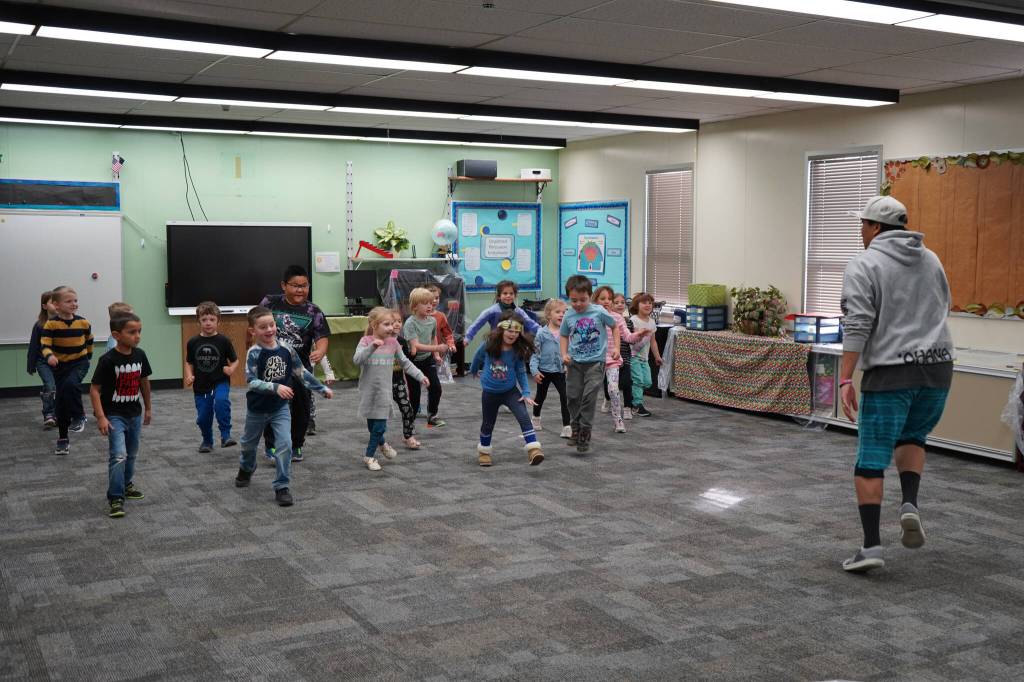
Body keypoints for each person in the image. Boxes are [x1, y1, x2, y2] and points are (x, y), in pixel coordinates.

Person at [838, 195, 955, 573]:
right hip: (938, 370)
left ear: (873, 227)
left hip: (891, 372)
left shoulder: (865, 263)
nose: (860, 231)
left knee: (871, 459)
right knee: (912, 438)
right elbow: (943, 307)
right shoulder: (931, 258)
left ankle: (871, 546)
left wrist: (844, 378)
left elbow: (858, 323)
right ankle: (909, 504)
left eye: (862, 225)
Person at [235, 306, 332, 507]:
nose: (270, 329)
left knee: (285, 445)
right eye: (263, 327)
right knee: (248, 446)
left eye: (272, 325)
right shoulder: (254, 353)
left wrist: (320, 388)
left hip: (280, 408)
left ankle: (282, 486)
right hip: (257, 409)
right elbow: (251, 381)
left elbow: (301, 372)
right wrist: (275, 386)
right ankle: (246, 467)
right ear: (253, 331)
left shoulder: (286, 349)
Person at [260, 265, 329, 462]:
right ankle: (271, 446)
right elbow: (254, 325)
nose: (300, 290)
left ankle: (297, 444)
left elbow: (322, 336)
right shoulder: (270, 303)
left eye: (304, 286)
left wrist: (321, 350)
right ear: (284, 285)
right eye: (295, 286)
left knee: (302, 406)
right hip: (273, 365)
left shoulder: (313, 311)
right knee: (273, 406)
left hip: (300, 368)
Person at [89, 313, 152, 518]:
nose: (137, 336)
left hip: (134, 414)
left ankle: (126, 484)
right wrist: (100, 417)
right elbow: (94, 390)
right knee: (118, 455)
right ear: (116, 335)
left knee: (132, 454)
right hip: (114, 415)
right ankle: (116, 497)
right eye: (132, 332)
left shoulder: (140, 355)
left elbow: (144, 383)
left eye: (139, 331)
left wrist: (148, 408)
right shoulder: (107, 360)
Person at [353, 307, 428, 471]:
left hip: (384, 392)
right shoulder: (365, 341)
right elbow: (357, 360)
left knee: (380, 426)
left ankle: (369, 456)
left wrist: (420, 375)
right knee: (372, 426)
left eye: (392, 324)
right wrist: (372, 346)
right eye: (386, 324)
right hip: (368, 391)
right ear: (374, 325)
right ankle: (382, 443)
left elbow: (405, 363)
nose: (391, 327)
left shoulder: (394, 343)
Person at [470, 312, 543, 467]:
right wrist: (474, 369)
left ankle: (534, 450)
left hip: (510, 391)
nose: (513, 334)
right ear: (501, 329)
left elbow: (521, 372)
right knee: (488, 423)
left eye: (517, 331)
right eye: (510, 330)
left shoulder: (517, 350)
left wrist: (526, 392)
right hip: (490, 393)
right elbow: (477, 356)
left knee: (523, 416)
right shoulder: (489, 344)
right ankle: (484, 452)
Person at [559, 276, 619, 453]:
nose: (578, 304)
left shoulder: (599, 311)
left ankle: (585, 431)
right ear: (568, 298)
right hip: (575, 363)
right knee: (573, 396)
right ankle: (575, 426)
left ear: (590, 296)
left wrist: (615, 347)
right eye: (574, 300)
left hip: (595, 363)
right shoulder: (569, 314)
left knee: (589, 396)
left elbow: (614, 326)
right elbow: (563, 335)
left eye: (583, 300)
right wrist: (564, 353)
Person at [40, 286, 94, 455]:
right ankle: (63, 439)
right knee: (61, 405)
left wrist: (89, 357)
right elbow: (45, 344)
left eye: (75, 301)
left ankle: (79, 416)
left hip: (80, 363)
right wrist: (49, 356)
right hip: (60, 367)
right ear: (56, 305)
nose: (74, 304)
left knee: (71, 385)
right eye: (69, 301)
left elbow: (89, 340)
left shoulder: (83, 322)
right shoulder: (51, 324)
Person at [594, 286, 650, 434]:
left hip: (612, 359)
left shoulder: (617, 318)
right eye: (602, 299)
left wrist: (640, 334)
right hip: (593, 360)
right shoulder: (591, 316)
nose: (606, 302)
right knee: (587, 392)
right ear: (595, 300)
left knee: (614, 389)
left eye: (609, 299)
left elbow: (627, 337)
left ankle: (618, 420)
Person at [184, 301, 239, 453]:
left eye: (212, 319)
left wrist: (231, 369)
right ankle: (207, 440)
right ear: (199, 321)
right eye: (204, 320)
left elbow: (235, 360)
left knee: (221, 403)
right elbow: (189, 362)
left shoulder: (224, 341)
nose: (208, 323)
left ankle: (226, 435)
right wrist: (189, 375)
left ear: (218, 320)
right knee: (203, 417)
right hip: (201, 385)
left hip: (220, 381)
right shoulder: (193, 342)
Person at [403, 287, 448, 427]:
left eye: (431, 302)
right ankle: (410, 421)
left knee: (436, 388)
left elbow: (433, 337)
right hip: (412, 362)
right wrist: (437, 348)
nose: (430, 305)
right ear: (415, 306)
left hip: (427, 360)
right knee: (415, 395)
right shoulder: (410, 323)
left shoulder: (432, 321)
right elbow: (416, 345)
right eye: (425, 303)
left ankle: (432, 415)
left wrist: (435, 355)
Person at [529, 298, 572, 438]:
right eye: (558, 312)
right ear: (548, 315)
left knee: (565, 397)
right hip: (543, 371)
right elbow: (535, 354)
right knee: (541, 396)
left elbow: (570, 350)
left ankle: (567, 426)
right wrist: (535, 371)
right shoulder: (542, 333)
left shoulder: (567, 333)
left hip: (560, 371)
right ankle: (535, 417)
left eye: (564, 312)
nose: (561, 315)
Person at [387, 309, 422, 450]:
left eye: (399, 321)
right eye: (392, 321)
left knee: (407, 409)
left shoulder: (401, 341)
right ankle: (379, 440)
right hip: (382, 383)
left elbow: (407, 362)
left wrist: (413, 350)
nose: (396, 324)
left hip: (398, 381)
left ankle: (408, 436)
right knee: (381, 413)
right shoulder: (379, 341)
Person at [464, 280, 540, 343]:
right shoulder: (492, 311)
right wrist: (467, 338)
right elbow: (477, 324)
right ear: (499, 296)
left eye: (511, 293)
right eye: (505, 293)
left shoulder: (519, 311)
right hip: (495, 344)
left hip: (513, 343)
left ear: (515, 295)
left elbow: (531, 324)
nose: (508, 296)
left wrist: (545, 333)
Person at [27, 290, 57, 428]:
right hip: (43, 362)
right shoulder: (39, 325)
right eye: (52, 302)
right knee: (50, 386)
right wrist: (31, 364)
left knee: (57, 388)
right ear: (45, 306)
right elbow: (33, 346)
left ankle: (56, 413)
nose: (56, 305)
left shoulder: (64, 323)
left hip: (59, 363)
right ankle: (48, 414)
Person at [628, 292, 662, 417]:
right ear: (637, 305)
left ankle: (631, 395)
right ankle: (637, 405)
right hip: (633, 356)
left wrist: (657, 356)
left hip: (644, 358)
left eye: (650, 303)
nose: (648, 305)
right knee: (638, 380)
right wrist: (641, 334)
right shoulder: (633, 320)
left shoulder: (652, 322)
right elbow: (634, 341)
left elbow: (653, 342)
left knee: (647, 382)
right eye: (644, 302)